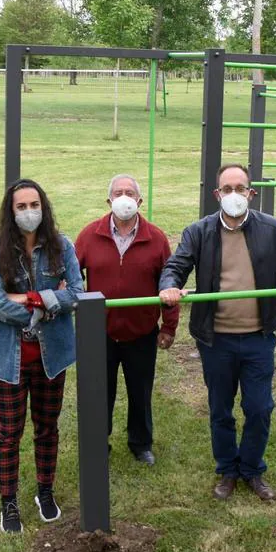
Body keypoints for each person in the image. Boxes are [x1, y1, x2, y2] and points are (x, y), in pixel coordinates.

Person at [159, 163, 276, 501]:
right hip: (216, 339)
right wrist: (169, 287)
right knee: (220, 408)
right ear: (217, 195)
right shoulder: (198, 232)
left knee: (259, 407)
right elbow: (175, 267)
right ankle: (227, 469)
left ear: (251, 193)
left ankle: (252, 469)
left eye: (241, 188)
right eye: (227, 189)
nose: (234, 195)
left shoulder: (271, 229)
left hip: (258, 337)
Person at [0, 178, 84, 534]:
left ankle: (45, 490)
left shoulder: (62, 246)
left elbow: (78, 293)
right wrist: (49, 301)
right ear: (11, 212)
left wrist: (29, 299)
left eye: (34, 205)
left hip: (50, 355)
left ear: (44, 207)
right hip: (8, 358)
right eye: (21, 207)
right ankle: (8, 502)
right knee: (9, 433)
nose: (29, 212)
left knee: (47, 428)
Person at [75, 174, 180, 466]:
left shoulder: (156, 238)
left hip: (142, 331)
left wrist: (169, 327)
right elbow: (71, 275)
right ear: (109, 200)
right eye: (118, 192)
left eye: (130, 192)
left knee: (140, 390)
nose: (124, 197)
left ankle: (141, 442)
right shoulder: (89, 235)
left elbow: (169, 284)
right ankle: (98, 442)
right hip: (99, 332)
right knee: (99, 391)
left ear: (139, 201)